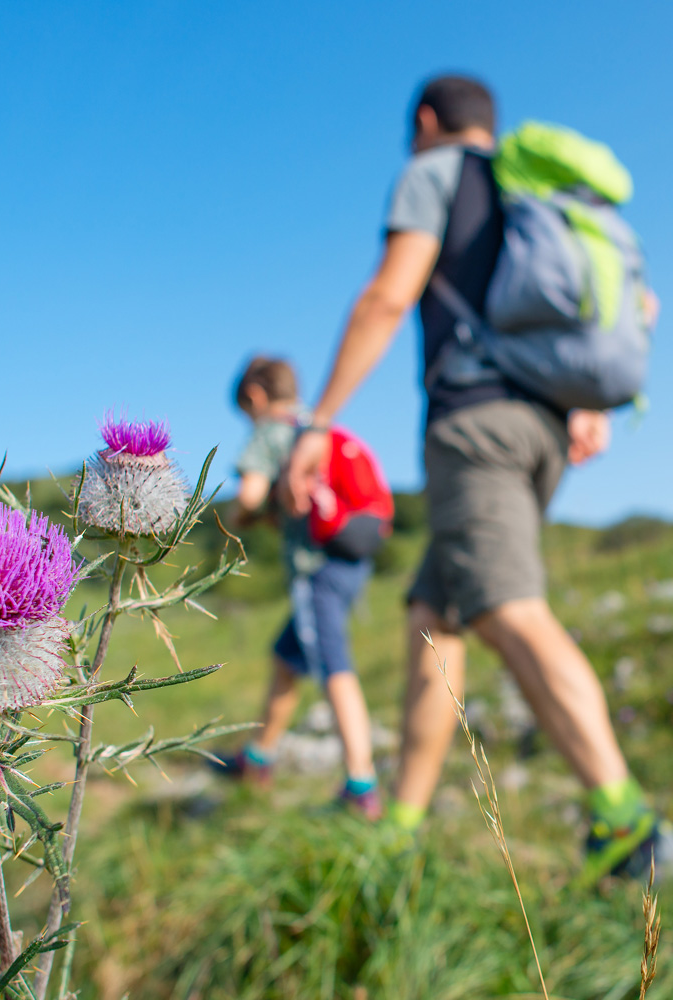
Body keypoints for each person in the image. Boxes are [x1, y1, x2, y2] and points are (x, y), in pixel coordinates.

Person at [284, 75, 669, 882]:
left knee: (507, 609)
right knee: (436, 616)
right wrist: (586, 401)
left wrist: (319, 421)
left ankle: (627, 825)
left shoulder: (437, 173)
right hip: (543, 430)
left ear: (427, 121)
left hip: (476, 429)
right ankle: (403, 825)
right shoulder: (543, 198)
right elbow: (641, 306)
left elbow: (390, 295)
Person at [216, 355, 383, 820]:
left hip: (316, 567)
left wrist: (240, 516)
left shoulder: (271, 431)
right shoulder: (317, 425)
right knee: (287, 657)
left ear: (254, 397)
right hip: (352, 559)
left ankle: (361, 786)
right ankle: (258, 758)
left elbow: (248, 497)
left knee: (333, 664)